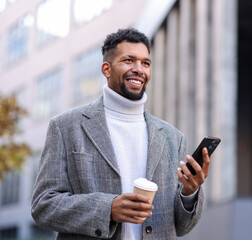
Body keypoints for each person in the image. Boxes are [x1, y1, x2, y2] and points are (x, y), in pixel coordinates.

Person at [31, 28, 211, 240]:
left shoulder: (173, 137)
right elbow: (43, 205)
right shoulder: (65, 126)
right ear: (106, 69)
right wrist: (108, 208)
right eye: (129, 60)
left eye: (145, 63)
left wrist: (189, 193)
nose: (139, 69)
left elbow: (181, 227)